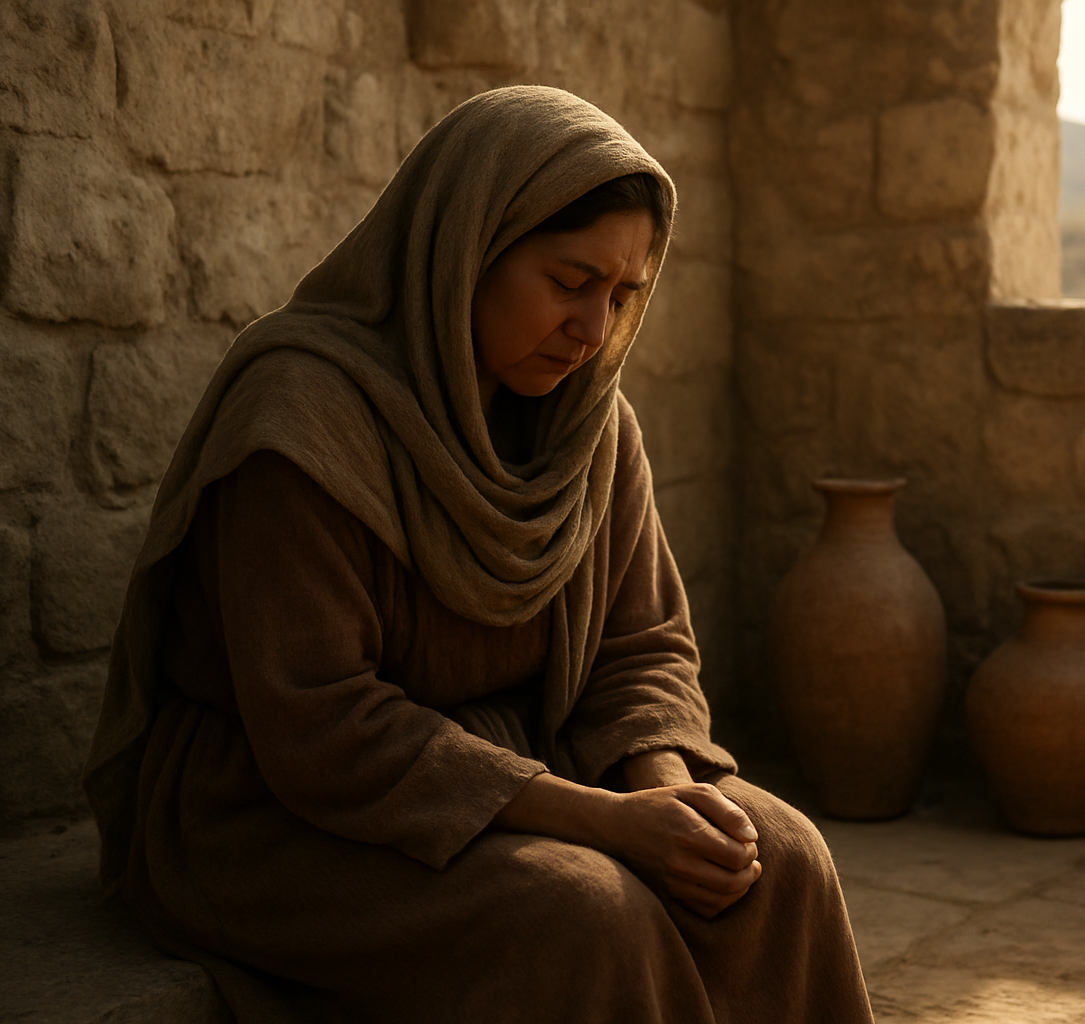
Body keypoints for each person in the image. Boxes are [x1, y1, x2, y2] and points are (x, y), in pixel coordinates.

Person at [83, 85, 875, 1023]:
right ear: (468, 249)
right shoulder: (301, 426)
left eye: (622, 295)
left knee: (778, 864)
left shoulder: (589, 429)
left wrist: (666, 798)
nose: (593, 330)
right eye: (569, 281)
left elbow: (644, 651)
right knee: (590, 915)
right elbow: (323, 729)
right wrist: (605, 823)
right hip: (274, 813)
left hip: (528, 764)